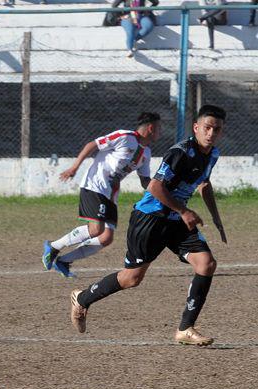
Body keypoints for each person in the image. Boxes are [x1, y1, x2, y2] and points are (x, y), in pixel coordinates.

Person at [70, 105, 228, 346]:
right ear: (196, 128)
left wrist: (216, 218)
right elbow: (155, 186)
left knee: (206, 264)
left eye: (216, 129)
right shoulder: (180, 152)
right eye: (207, 128)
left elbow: (204, 184)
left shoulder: (212, 154)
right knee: (132, 279)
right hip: (150, 218)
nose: (211, 133)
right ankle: (82, 298)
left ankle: (185, 329)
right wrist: (184, 210)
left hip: (175, 220)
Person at [43, 112, 162, 278]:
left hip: (111, 193)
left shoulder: (146, 153)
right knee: (96, 229)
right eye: (159, 128)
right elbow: (92, 145)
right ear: (151, 128)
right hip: (95, 184)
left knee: (106, 237)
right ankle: (54, 246)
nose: (160, 132)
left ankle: (63, 261)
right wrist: (74, 167)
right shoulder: (125, 136)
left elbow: (145, 180)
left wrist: (162, 192)